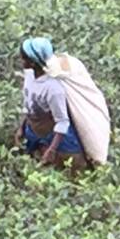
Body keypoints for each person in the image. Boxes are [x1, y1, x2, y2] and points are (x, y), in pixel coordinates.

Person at [13, 37, 86, 169]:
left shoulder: (53, 88)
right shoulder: (29, 74)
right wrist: (22, 127)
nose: (21, 60)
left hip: (53, 131)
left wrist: (52, 149)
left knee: (74, 166)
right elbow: (28, 102)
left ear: (33, 62)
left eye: (24, 58)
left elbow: (62, 121)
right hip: (34, 127)